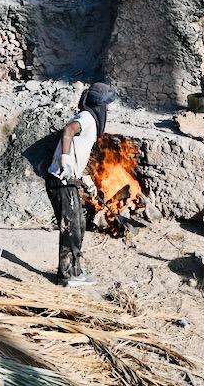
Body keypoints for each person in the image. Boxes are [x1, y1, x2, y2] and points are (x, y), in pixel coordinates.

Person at [45, 82, 117, 287]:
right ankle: (67, 276)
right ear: (99, 105)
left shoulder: (90, 119)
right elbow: (68, 131)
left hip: (69, 180)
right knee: (71, 230)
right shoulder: (86, 117)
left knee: (78, 226)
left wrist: (85, 179)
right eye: (106, 105)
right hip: (60, 181)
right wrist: (65, 159)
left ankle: (74, 271)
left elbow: (79, 151)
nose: (107, 110)